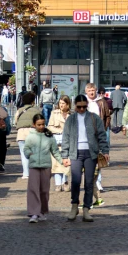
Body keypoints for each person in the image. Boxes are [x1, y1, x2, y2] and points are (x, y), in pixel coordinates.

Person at [58, 94, 110, 222]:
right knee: (75, 182)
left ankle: (86, 208)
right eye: (79, 107)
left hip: (90, 153)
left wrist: (105, 150)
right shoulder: (71, 119)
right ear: (75, 106)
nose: (81, 109)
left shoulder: (94, 118)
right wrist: (64, 155)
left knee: (89, 182)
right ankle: (74, 206)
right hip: (75, 153)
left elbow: (102, 136)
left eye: (84, 107)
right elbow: (65, 138)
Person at [21, 113, 57, 223]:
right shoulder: (31, 136)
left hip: (46, 166)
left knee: (44, 190)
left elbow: (55, 151)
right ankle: (34, 213)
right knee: (33, 189)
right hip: (34, 166)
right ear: (34, 125)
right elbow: (26, 148)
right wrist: (29, 154)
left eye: (43, 124)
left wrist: (62, 161)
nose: (41, 127)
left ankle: (42, 211)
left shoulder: (49, 136)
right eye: (39, 125)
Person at [13, 91, 41, 182]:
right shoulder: (36, 110)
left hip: (21, 133)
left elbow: (15, 122)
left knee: (24, 154)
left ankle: (26, 174)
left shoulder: (19, 110)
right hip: (33, 133)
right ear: (33, 101)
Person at [47, 97, 72, 192]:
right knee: (56, 163)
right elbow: (49, 127)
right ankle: (57, 184)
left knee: (66, 162)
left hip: (68, 142)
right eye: (60, 103)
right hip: (57, 142)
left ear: (68, 104)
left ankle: (65, 182)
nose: (61, 105)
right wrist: (60, 131)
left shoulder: (71, 115)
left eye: (63, 103)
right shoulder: (54, 113)